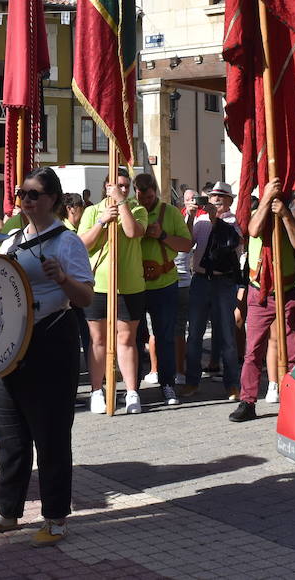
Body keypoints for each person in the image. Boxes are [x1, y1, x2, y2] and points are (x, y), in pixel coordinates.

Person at [0, 168, 94, 546]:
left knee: (51, 435)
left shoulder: (67, 243)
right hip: (8, 345)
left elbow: (85, 298)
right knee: (7, 434)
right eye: (22, 193)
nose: (26, 199)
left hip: (50, 342)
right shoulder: (10, 241)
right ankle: (7, 511)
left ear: (53, 199)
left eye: (34, 194)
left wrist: (62, 280)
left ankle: (55, 516)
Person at [233, 180, 295, 422]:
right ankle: (248, 400)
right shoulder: (259, 213)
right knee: (253, 350)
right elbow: (253, 230)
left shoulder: (294, 219)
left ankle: (294, 399)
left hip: (286, 292)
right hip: (259, 293)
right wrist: (265, 201)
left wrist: (285, 215)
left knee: (293, 352)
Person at [78, 172, 148, 414]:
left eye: (126, 186)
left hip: (129, 286)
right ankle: (97, 390)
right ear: (106, 186)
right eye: (117, 185)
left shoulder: (137, 209)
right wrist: (102, 221)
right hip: (98, 285)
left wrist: (122, 204)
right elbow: (82, 244)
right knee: (97, 340)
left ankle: (131, 392)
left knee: (126, 340)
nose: (122, 189)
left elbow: (132, 232)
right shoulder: (92, 211)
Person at [133, 173, 193, 407]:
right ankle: (133, 386)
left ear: (155, 192)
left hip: (164, 283)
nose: (145, 202)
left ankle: (167, 383)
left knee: (165, 337)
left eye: (149, 197)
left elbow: (187, 245)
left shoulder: (170, 212)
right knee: (135, 339)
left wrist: (163, 235)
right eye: (141, 197)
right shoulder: (131, 211)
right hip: (135, 283)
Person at [183, 182, 242, 402]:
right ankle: (191, 381)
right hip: (200, 280)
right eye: (213, 196)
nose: (215, 199)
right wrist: (190, 217)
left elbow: (231, 242)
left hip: (222, 283)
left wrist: (214, 219)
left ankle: (232, 384)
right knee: (195, 335)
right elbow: (188, 244)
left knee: (226, 335)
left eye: (221, 197)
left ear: (229, 201)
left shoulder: (232, 221)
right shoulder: (200, 220)